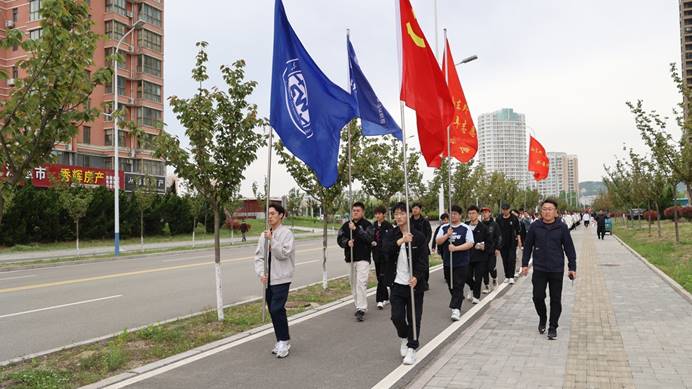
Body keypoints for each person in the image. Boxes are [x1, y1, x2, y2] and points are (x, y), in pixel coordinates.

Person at [520, 198, 577, 340]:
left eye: (550, 209)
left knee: (555, 300)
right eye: (544, 209)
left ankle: (553, 327)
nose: (547, 212)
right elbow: (527, 246)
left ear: (556, 212)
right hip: (539, 268)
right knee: (537, 297)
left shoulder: (562, 227)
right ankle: (543, 317)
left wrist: (572, 267)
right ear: (541, 211)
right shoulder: (535, 226)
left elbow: (569, 248)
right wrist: (525, 264)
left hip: (556, 268)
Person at [383, 202, 429, 366]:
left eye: (402, 213)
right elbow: (385, 251)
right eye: (396, 214)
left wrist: (416, 276)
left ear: (408, 214)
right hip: (396, 283)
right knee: (396, 317)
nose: (399, 216)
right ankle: (404, 336)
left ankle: (412, 347)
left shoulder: (419, 236)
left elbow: (424, 260)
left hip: (414, 285)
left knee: (414, 317)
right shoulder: (391, 234)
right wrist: (401, 241)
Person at [254, 204, 296, 358]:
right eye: (268, 214)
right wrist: (260, 273)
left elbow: (284, 254)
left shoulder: (287, 234)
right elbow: (259, 256)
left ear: (281, 215)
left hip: (282, 278)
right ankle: (280, 340)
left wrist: (273, 241)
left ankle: (284, 341)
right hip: (268, 279)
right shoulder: (263, 235)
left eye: (273, 213)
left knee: (277, 308)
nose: (270, 216)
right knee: (273, 310)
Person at [435, 205, 474, 321]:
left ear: (460, 215)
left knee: (458, 284)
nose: (453, 216)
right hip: (448, 262)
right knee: (450, 284)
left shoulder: (465, 228)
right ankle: (458, 298)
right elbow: (438, 240)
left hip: (462, 262)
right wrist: (447, 235)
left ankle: (456, 309)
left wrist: (456, 248)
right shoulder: (444, 228)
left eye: (455, 214)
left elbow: (470, 243)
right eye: (451, 213)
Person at [337, 202, 373, 322]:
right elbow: (339, 238)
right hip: (350, 258)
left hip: (363, 258)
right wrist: (347, 242)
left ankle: (362, 308)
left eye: (358, 210)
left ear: (363, 212)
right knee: (353, 283)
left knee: (361, 283)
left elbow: (369, 238)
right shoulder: (346, 225)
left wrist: (356, 229)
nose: (355, 212)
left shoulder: (367, 225)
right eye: (354, 210)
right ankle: (358, 305)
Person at [370, 205, 394, 309]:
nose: (377, 216)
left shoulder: (388, 226)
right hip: (376, 255)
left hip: (386, 256)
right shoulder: (374, 225)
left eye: (379, 213)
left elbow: (390, 240)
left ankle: (380, 300)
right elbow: (370, 237)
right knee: (379, 276)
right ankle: (386, 298)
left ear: (384, 214)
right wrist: (372, 242)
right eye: (376, 214)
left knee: (382, 277)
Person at [464, 205, 489, 304]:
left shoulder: (483, 227)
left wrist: (484, 246)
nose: (471, 215)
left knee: (478, 277)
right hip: (467, 256)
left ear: (478, 214)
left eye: (473, 213)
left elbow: (489, 242)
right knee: (466, 276)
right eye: (469, 213)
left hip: (480, 257)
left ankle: (476, 296)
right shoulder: (465, 226)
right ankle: (471, 287)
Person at [496, 203, 521, 284]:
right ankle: (507, 276)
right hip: (502, 243)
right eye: (503, 209)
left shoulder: (514, 218)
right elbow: (497, 231)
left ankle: (511, 277)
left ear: (509, 209)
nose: (505, 211)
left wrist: (519, 240)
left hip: (512, 242)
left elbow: (518, 230)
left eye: (506, 209)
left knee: (511, 259)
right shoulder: (499, 218)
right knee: (505, 260)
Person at [481, 207, 502, 293]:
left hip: (492, 250)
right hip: (482, 251)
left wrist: (497, 248)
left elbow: (499, 237)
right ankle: (487, 286)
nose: (484, 214)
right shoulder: (480, 224)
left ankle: (494, 278)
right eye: (483, 212)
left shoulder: (494, 225)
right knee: (484, 269)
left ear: (489, 213)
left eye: (486, 212)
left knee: (491, 267)